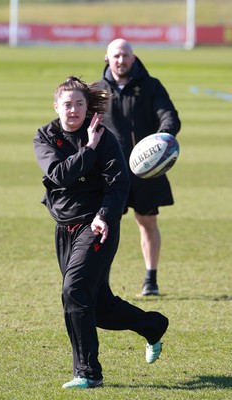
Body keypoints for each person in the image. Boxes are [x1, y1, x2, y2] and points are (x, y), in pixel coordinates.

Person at [33, 76, 169, 389]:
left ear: (86, 107)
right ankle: (153, 324)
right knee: (100, 308)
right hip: (64, 228)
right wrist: (89, 148)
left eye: (79, 104)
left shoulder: (105, 137)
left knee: (74, 292)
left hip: (98, 227)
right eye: (67, 104)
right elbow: (60, 175)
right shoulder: (45, 136)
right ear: (56, 107)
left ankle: (88, 373)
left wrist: (105, 216)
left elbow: (118, 184)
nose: (73, 110)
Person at [97, 38, 181, 296]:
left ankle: (150, 281)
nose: (121, 60)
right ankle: (103, 283)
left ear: (133, 57)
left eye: (125, 55)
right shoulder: (98, 90)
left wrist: (163, 137)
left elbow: (169, 116)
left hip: (147, 170)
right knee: (105, 226)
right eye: (116, 56)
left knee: (147, 222)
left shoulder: (150, 86)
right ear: (107, 59)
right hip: (111, 172)